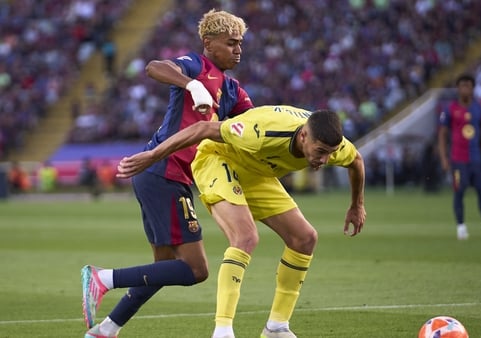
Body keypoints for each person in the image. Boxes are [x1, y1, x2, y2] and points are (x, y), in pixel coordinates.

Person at [113, 106, 366, 338]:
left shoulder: (334, 145)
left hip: (256, 171)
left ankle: (277, 327)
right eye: (320, 152)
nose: (324, 160)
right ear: (303, 137)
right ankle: (222, 330)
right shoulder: (263, 131)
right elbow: (202, 129)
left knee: (305, 238)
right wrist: (153, 155)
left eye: (329, 154)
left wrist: (357, 205)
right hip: (217, 158)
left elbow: (356, 161)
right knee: (246, 237)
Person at [81, 9, 253, 338]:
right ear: (208, 43)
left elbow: (255, 123)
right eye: (231, 43)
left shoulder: (231, 90)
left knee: (161, 270)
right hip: (163, 173)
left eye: (241, 43)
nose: (238, 50)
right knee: (196, 269)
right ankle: (102, 278)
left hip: (166, 176)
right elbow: (154, 67)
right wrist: (192, 86)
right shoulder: (195, 65)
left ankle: (105, 330)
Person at [438, 74, 481, 240]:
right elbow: (442, 135)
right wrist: (443, 158)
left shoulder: (479, 108)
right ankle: (461, 228)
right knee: (459, 191)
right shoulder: (450, 109)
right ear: (458, 88)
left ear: (472, 88)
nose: (465, 89)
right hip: (457, 159)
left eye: (468, 86)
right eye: (462, 85)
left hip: (476, 159)